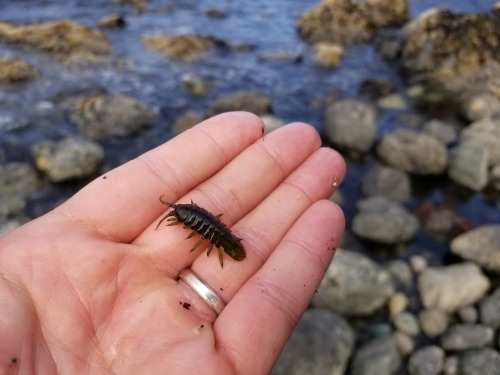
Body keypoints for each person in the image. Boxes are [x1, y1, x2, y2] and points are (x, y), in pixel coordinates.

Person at [0, 112, 345, 374]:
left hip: (211, 230)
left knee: (212, 231)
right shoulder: (197, 223)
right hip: (208, 228)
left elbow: (201, 224)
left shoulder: (205, 229)